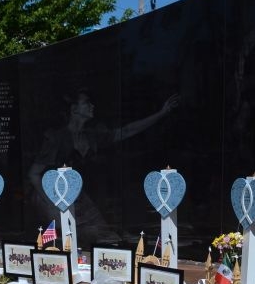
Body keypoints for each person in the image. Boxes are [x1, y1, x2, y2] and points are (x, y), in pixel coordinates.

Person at [26, 91, 179, 241]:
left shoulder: (90, 135)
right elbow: (34, 174)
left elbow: (126, 131)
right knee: (65, 237)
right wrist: (51, 203)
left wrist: (161, 114)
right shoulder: (57, 137)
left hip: (73, 194)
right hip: (49, 195)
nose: (92, 106)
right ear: (74, 109)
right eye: (86, 103)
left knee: (102, 234)